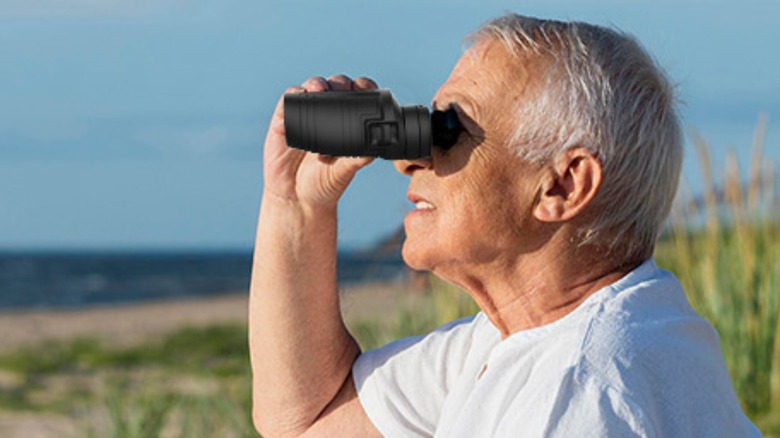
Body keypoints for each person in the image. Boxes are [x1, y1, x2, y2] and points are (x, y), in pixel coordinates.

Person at [248, 13, 760, 437]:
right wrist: (296, 205)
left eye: (449, 130)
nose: (407, 161)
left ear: (563, 185)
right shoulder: (521, 341)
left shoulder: (578, 394)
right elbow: (308, 421)